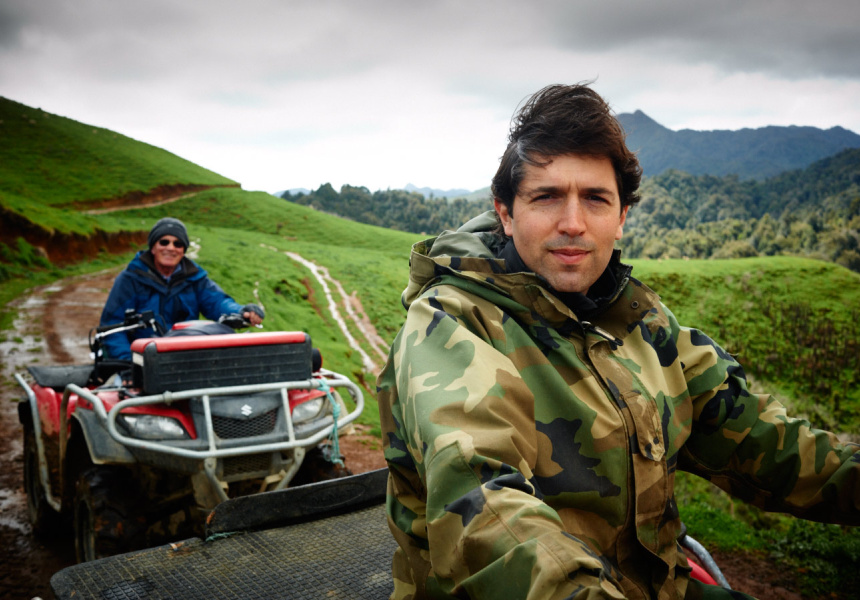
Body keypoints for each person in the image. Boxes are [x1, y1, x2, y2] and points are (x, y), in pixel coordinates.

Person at [377, 83, 860, 600]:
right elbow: (485, 508)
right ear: (506, 213)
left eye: (595, 199)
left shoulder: (637, 320)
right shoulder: (451, 323)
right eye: (546, 197)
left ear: (621, 216)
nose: (573, 224)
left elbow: (763, 439)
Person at [99, 217, 264, 360]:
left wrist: (241, 312)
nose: (170, 248)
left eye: (177, 244)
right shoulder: (130, 279)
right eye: (164, 242)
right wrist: (128, 364)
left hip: (187, 357)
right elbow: (113, 326)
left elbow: (217, 303)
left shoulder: (196, 279)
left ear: (183, 250)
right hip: (142, 359)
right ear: (153, 247)